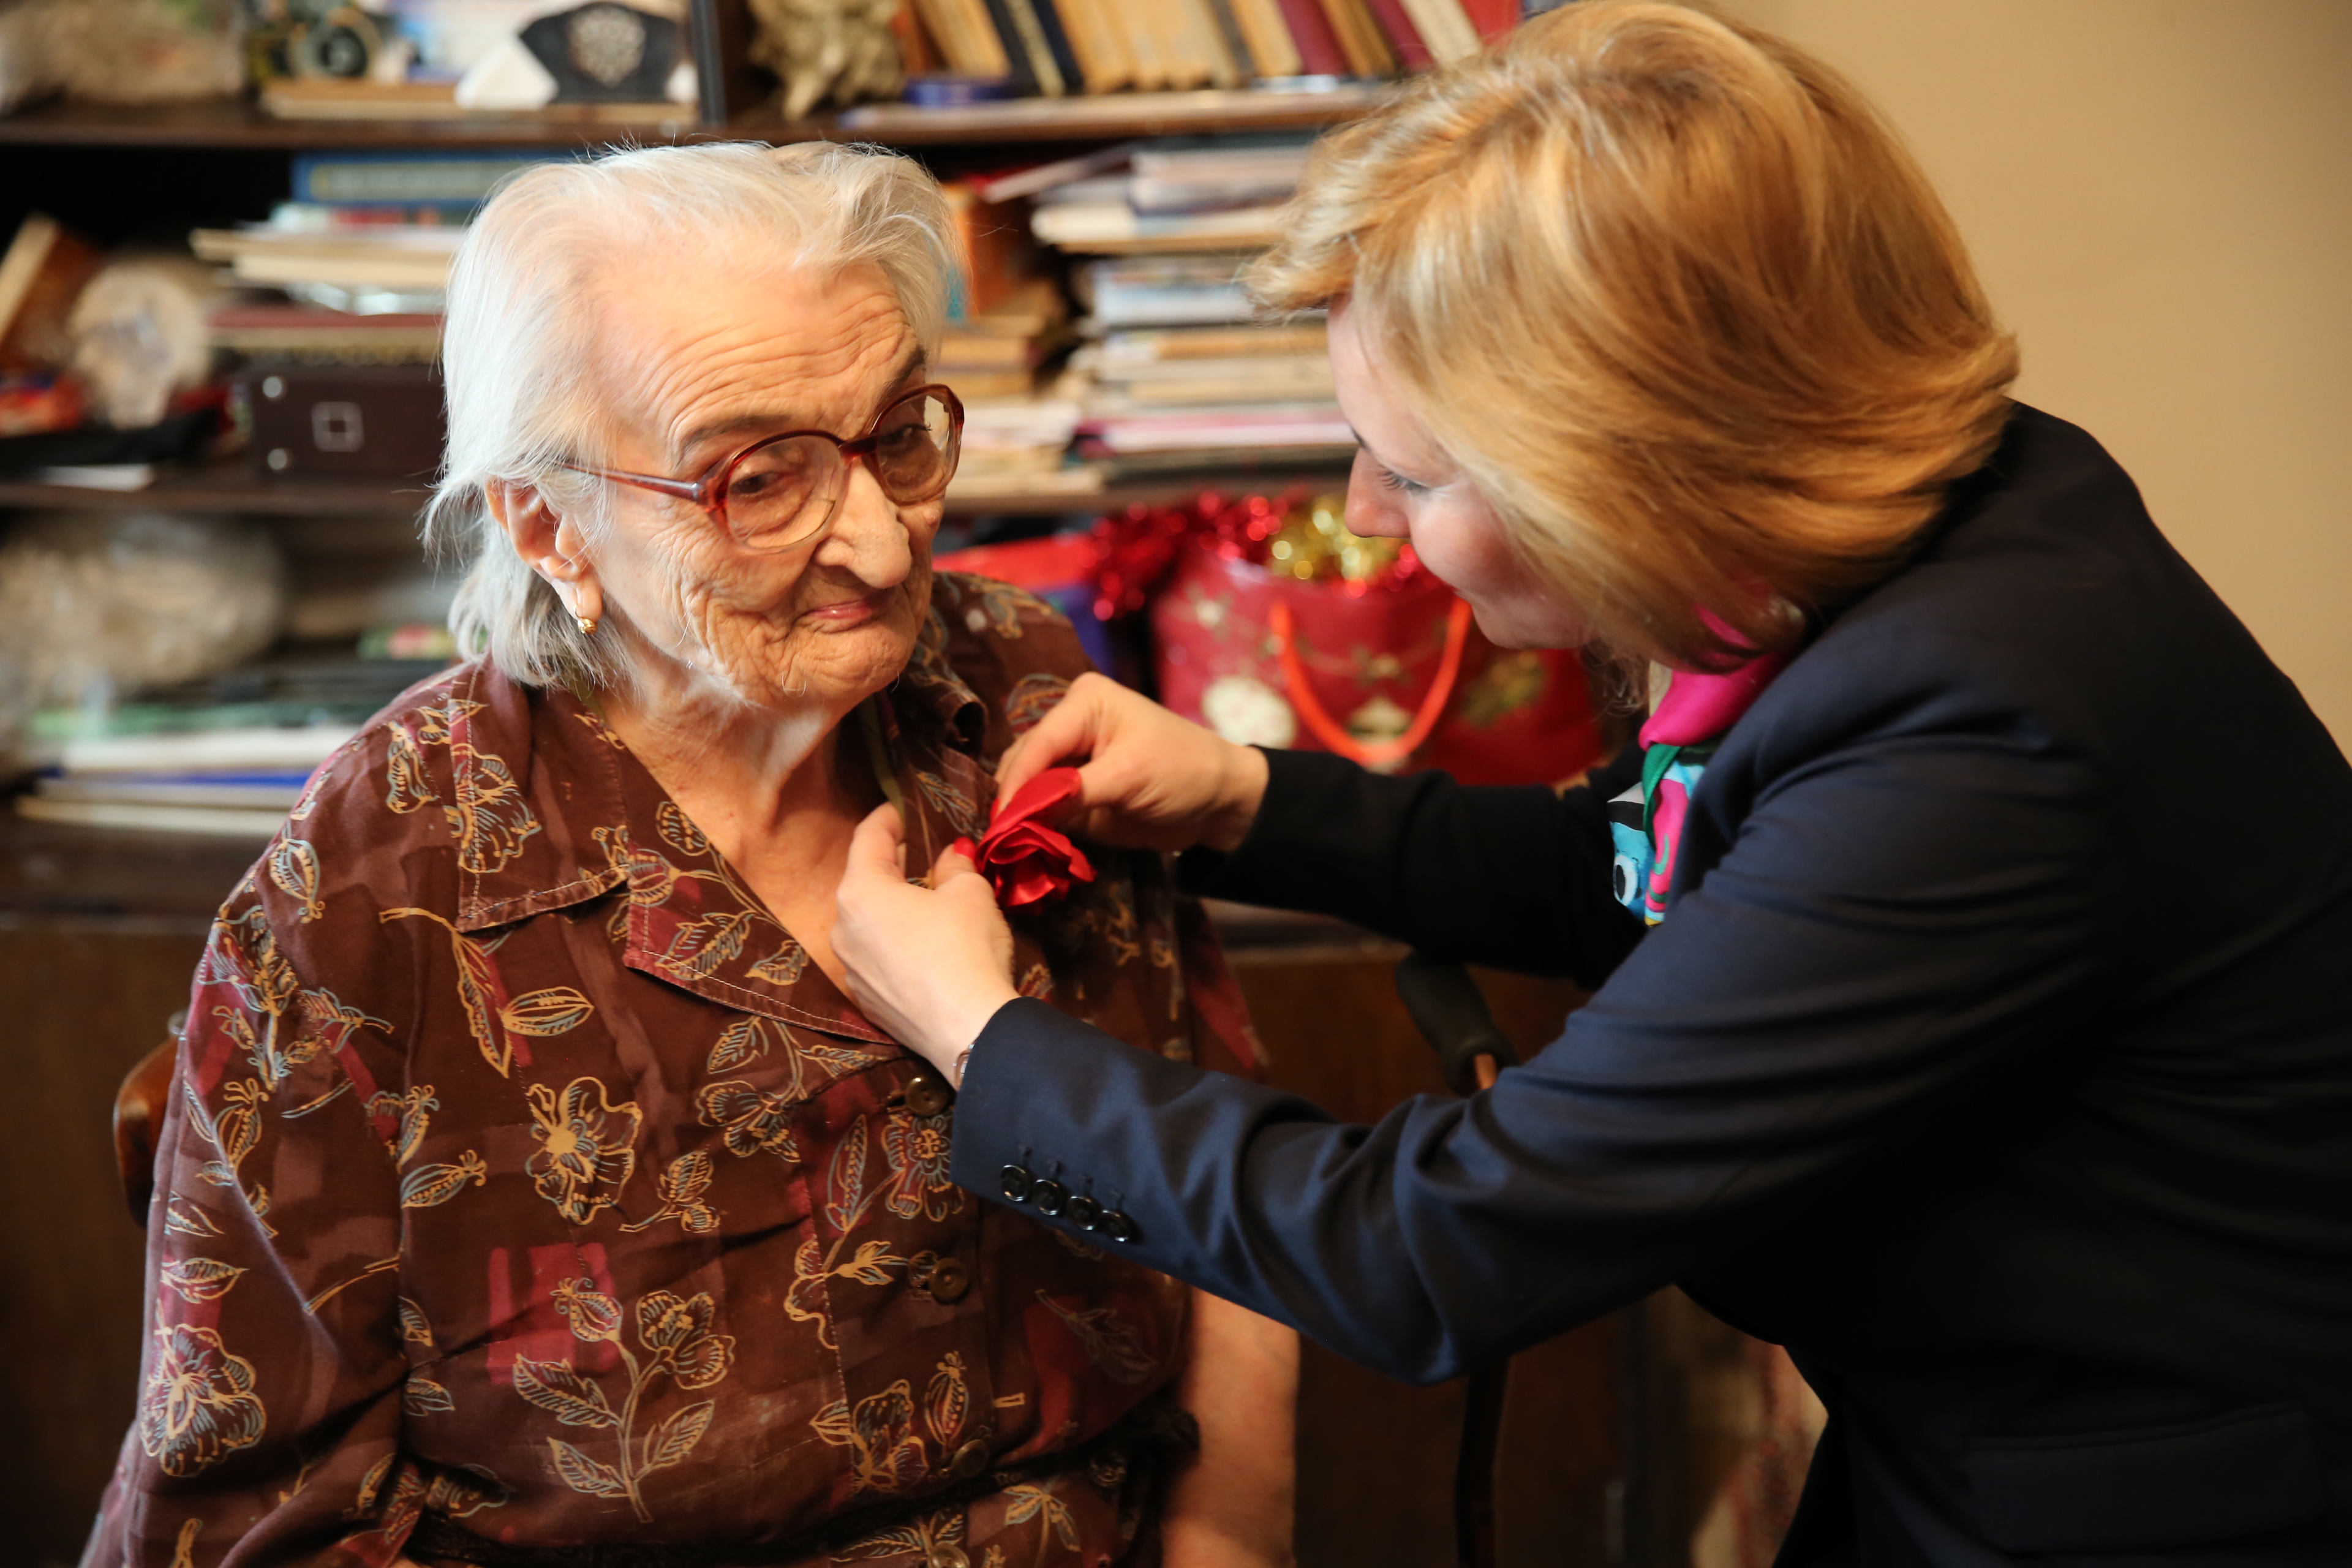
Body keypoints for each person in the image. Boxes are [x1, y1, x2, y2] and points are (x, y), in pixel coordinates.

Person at [834, 6, 2352, 1564]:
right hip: (1971, 1429)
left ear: (1627, 460)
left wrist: (982, 1031)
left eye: (1413, 474)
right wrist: (1245, 796)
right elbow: (1657, 875)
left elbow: (1427, 1245)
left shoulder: (1987, 740)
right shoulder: (1897, 525)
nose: (1361, 509)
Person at [89, 143, 1298, 1568]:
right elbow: (255, 1525)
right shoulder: (370, 895)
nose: (880, 542)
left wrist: (1233, 1540)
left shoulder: (1015, 688)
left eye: (897, 431)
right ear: (547, 521)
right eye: (759, 476)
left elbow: (1235, 1202)